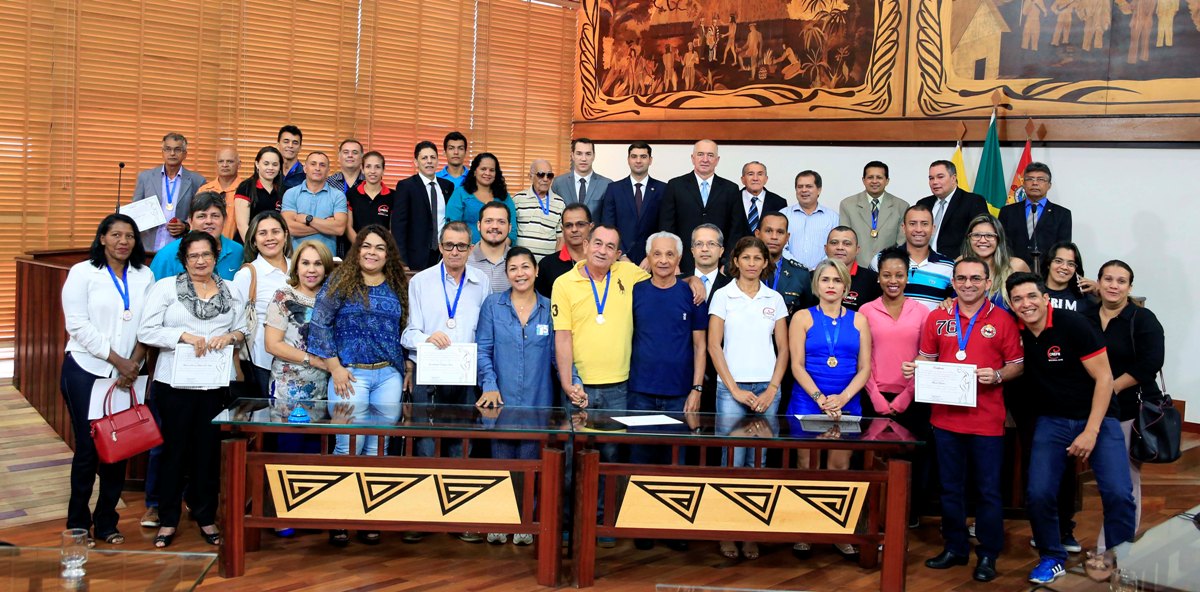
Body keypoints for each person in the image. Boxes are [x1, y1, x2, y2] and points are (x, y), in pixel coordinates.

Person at [1007, 271, 1136, 585]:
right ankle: (1052, 557)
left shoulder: (1074, 324)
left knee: (1119, 492)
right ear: (1012, 305)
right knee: (1037, 492)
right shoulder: (1016, 331)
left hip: (1099, 418)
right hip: (1051, 420)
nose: (1026, 304)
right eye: (1018, 299)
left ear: (1045, 297)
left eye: (1032, 296)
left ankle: (1118, 558)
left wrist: (1090, 432)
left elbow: (1105, 379)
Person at [905, 257, 1023, 582]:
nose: (967, 284)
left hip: (987, 421)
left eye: (975, 278)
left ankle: (987, 553)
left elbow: (1017, 364)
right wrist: (913, 366)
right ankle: (955, 547)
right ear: (953, 282)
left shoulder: (1003, 319)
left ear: (988, 283)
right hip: (944, 420)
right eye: (961, 278)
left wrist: (998, 375)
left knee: (987, 490)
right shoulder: (937, 317)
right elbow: (926, 358)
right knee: (950, 488)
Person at [138, 230, 246, 549]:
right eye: (193, 256)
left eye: (206, 255)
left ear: (216, 257)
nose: (200, 261)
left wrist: (230, 337)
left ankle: (205, 515)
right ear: (183, 259)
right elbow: (147, 331)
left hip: (214, 384)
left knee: (207, 454)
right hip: (174, 384)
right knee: (173, 453)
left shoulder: (231, 290)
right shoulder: (165, 289)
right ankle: (168, 519)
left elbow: (243, 328)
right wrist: (182, 336)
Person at [307, 225, 409, 546]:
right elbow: (319, 323)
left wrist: (405, 366)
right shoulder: (340, 281)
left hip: (388, 377)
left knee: (378, 448)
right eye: (366, 246)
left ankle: (368, 516)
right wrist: (334, 366)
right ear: (357, 249)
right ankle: (339, 516)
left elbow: (403, 329)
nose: (372, 252)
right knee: (348, 444)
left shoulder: (397, 284)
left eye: (380, 248)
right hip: (349, 376)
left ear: (387, 254)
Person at [60, 214, 154, 547]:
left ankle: (106, 521)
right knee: (88, 449)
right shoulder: (82, 273)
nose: (123, 241)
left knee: (119, 447)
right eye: (115, 235)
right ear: (102, 238)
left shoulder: (145, 275)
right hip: (86, 370)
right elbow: (78, 326)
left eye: (129, 236)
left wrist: (135, 364)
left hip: (128, 375)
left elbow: (149, 324)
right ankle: (77, 522)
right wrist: (120, 362)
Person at [707, 236, 788, 560]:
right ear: (736, 261)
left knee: (760, 462)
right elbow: (714, 346)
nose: (753, 263)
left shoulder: (775, 298)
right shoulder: (723, 297)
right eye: (747, 258)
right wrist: (735, 389)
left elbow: (784, 350)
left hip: (767, 389)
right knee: (732, 461)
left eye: (759, 258)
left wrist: (771, 389)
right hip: (731, 389)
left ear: (765, 263)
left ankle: (752, 531)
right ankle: (727, 530)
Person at [787, 258, 871, 560]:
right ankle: (805, 531)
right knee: (807, 467)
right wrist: (821, 397)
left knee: (839, 468)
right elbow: (795, 365)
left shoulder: (860, 319)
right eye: (825, 280)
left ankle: (838, 531)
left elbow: (864, 368)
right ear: (816, 285)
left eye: (837, 280)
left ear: (845, 286)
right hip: (808, 400)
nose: (831, 285)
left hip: (846, 403)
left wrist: (842, 398)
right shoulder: (802, 318)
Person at [1086, 261, 1163, 551]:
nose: (1113, 286)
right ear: (1099, 282)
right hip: (1088, 409)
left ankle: (1116, 548)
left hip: (1128, 408)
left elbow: (1150, 363)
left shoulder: (1142, 319)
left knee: (1125, 482)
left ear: (1129, 287)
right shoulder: (1086, 316)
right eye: (1108, 279)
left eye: (1121, 281)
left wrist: (1112, 388)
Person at [401, 221, 490, 460]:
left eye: (461, 246)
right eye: (449, 245)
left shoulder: (482, 281)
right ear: (440, 247)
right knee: (426, 446)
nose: (455, 252)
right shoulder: (421, 281)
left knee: (462, 445)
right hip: (429, 374)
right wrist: (428, 338)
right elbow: (408, 334)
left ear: (471, 249)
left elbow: (486, 331)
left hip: (466, 375)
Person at [860, 246, 932, 526]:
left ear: (907, 277)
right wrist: (875, 395)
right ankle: (874, 514)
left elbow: (925, 355)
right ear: (878, 277)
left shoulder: (922, 311)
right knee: (874, 459)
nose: (893, 280)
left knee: (912, 459)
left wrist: (906, 395)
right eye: (887, 274)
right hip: (873, 396)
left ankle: (907, 514)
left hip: (912, 398)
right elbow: (864, 357)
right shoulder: (866, 310)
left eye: (899, 275)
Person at [629, 232, 707, 463]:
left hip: (679, 395)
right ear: (648, 258)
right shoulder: (635, 292)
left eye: (670, 254)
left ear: (679, 258)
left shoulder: (693, 296)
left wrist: (697, 389)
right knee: (638, 462)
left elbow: (700, 346)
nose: (663, 260)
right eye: (657, 254)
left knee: (674, 465)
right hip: (640, 392)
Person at [264, 240, 334, 409]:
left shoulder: (333, 299)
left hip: (325, 391)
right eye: (305, 263)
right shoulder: (284, 296)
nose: (311, 269)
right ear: (296, 267)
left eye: (318, 264)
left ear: (326, 269)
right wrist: (313, 360)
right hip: (288, 391)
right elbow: (272, 344)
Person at [231, 211, 294, 397]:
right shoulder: (248, 274)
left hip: (301, 363)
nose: (270, 238)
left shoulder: (300, 268)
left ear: (285, 235)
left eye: (275, 231)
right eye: (262, 233)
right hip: (263, 363)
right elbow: (234, 322)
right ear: (253, 240)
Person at [659, 140, 742, 274]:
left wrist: (727, 262)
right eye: (700, 154)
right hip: (682, 265)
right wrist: (672, 262)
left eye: (710, 155)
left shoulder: (730, 189)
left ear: (717, 160)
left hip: (719, 266)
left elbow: (735, 230)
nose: (705, 159)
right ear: (693, 158)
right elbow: (667, 227)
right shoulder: (675, 186)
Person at [131, 132, 206, 250]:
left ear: (185, 154)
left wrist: (186, 226)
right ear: (162, 152)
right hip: (148, 246)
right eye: (168, 149)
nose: (172, 153)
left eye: (177, 150)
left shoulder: (197, 181)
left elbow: (201, 215)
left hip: (179, 247)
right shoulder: (145, 177)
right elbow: (136, 210)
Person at [871, 204, 954, 310]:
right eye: (912, 224)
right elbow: (870, 298)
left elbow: (952, 304)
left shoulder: (948, 266)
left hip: (930, 326)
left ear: (933, 228)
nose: (918, 229)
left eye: (924, 224)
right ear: (904, 228)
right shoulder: (881, 259)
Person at [150, 191, 244, 280]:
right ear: (190, 221)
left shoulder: (238, 251)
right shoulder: (167, 254)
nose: (209, 221)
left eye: (215, 216)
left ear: (224, 220)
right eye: (201, 216)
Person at [393, 140, 456, 271]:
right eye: (424, 158)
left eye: (433, 157)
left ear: (438, 161)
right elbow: (398, 227)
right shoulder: (406, 186)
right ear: (416, 162)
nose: (429, 161)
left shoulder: (447, 186)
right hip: (415, 257)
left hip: (443, 254)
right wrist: (402, 260)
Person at [600, 142, 666, 265]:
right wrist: (621, 255)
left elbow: (664, 228)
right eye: (634, 156)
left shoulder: (663, 189)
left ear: (650, 160)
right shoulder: (614, 189)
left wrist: (651, 256)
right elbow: (608, 226)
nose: (638, 161)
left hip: (652, 262)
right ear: (628, 160)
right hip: (619, 260)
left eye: (643, 156)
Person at [998, 162, 1072, 270]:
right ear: (1023, 184)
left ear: (1049, 185)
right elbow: (1001, 244)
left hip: (1046, 274)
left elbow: (1062, 249)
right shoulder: (1007, 211)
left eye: (1041, 179)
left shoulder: (1062, 214)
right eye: (1030, 179)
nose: (1035, 183)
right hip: (1012, 271)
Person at [838, 161, 909, 266]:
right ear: (863, 180)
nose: (874, 181)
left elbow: (901, 242)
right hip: (856, 268)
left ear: (887, 181)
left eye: (879, 177)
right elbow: (845, 240)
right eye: (870, 177)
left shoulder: (901, 206)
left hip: (888, 268)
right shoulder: (848, 204)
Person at [917, 160, 989, 260]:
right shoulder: (923, 203)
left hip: (956, 263)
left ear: (953, 178)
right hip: (923, 262)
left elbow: (980, 235)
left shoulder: (972, 201)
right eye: (931, 178)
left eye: (940, 177)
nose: (935, 182)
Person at [281, 152, 348, 255]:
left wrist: (307, 219)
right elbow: (290, 228)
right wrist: (326, 225)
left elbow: (339, 229)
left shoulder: (338, 196)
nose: (317, 168)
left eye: (322, 165)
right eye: (313, 164)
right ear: (305, 168)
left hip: (327, 261)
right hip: (295, 260)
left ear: (328, 171)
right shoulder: (291, 194)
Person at [958, 214, 1030, 309]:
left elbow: (1033, 301)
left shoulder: (1016, 266)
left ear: (998, 239)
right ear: (969, 239)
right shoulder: (961, 262)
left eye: (989, 235)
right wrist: (947, 301)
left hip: (1006, 323)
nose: (983, 240)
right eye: (976, 235)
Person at [445, 152, 517, 245]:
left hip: (499, 254)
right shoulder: (460, 194)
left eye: (492, 170)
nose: (487, 173)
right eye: (483, 169)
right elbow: (453, 228)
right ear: (475, 171)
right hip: (467, 253)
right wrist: (472, 250)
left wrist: (494, 250)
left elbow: (512, 232)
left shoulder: (504, 197)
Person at [755, 211, 813, 315]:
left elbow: (807, 314)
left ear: (787, 237)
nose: (774, 237)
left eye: (780, 232)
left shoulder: (800, 274)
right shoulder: (743, 269)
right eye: (768, 231)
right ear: (758, 234)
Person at [782, 170, 840, 269]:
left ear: (819, 190)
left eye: (809, 186)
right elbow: (780, 246)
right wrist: (797, 267)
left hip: (823, 272)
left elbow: (836, 247)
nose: (804, 190)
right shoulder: (783, 215)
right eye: (800, 187)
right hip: (790, 272)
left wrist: (819, 267)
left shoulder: (833, 217)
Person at [512, 159, 566, 259]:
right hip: (521, 262)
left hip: (546, 265)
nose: (545, 179)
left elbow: (561, 239)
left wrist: (554, 263)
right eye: (541, 174)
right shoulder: (517, 199)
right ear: (530, 177)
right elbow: (510, 232)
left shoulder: (560, 203)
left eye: (549, 175)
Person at [536, 203, 592, 298]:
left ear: (591, 227)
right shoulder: (547, 265)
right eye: (569, 225)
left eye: (580, 224)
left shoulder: (601, 261)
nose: (574, 229)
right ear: (562, 229)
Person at [234, 146, 285, 243]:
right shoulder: (245, 187)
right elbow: (242, 225)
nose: (270, 168)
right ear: (257, 164)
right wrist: (253, 247)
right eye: (266, 164)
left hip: (273, 244)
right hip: (248, 244)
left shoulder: (283, 190)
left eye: (275, 164)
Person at [825, 226, 881, 311]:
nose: (840, 247)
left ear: (857, 249)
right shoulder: (811, 278)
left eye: (847, 243)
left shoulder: (872, 279)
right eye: (834, 243)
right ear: (825, 248)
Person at [551, 138, 612, 215]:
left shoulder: (607, 185)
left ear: (594, 156)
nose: (583, 159)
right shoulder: (558, 183)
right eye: (579, 153)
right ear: (572, 155)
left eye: (588, 154)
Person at [345, 151, 394, 244]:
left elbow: (394, 228)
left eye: (377, 167)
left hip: (383, 250)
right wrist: (361, 246)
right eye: (368, 166)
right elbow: (348, 227)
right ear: (362, 169)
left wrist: (380, 247)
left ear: (383, 170)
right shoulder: (351, 194)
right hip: (356, 250)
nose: (372, 171)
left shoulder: (393, 196)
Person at [468, 201, 514, 294]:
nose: (495, 226)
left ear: (509, 228)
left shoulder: (518, 261)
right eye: (488, 221)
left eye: (501, 222)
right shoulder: (464, 259)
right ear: (479, 225)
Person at [196, 147, 241, 240]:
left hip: (238, 247)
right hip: (206, 245)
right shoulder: (204, 190)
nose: (225, 165)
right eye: (221, 161)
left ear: (239, 164)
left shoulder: (246, 190)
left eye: (230, 161)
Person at [1042, 241, 1097, 314]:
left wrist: (1099, 293)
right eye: (1058, 261)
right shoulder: (1034, 292)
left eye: (1071, 264)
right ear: (1048, 264)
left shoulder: (1084, 299)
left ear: (1076, 269)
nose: (1064, 267)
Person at [734, 161, 786, 237]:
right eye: (750, 174)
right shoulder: (731, 199)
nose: (755, 178)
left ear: (766, 179)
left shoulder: (779, 203)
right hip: (737, 248)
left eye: (760, 174)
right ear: (743, 179)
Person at [277, 125, 306, 190]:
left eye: (295, 143)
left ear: (300, 148)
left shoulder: (306, 175)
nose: (290, 146)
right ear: (278, 145)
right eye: (286, 142)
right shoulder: (271, 171)